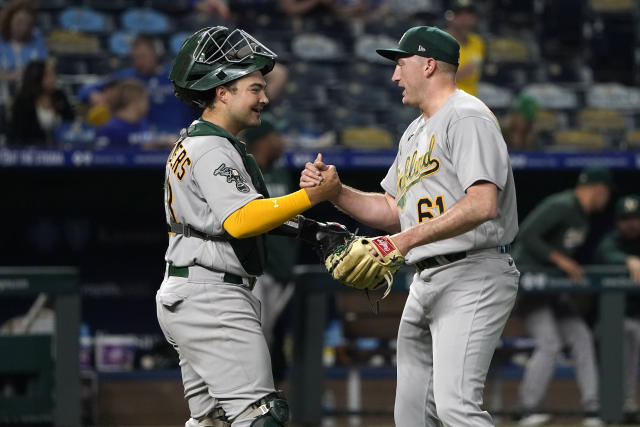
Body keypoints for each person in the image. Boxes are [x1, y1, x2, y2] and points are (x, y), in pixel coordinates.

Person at [301, 25, 520, 427]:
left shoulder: (467, 116)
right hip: (427, 278)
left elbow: (483, 204)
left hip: (474, 271)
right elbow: (391, 208)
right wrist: (335, 192)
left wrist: (401, 241)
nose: (394, 75)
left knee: (456, 408)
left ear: (430, 64)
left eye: (401, 64)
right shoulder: (415, 132)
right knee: (412, 415)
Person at [155, 26, 340, 427]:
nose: (265, 98)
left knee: (213, 421)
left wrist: (309, 229)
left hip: (194, 290)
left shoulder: (202, 142)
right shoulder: (211, 148)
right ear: (222, 92)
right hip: (211, 296)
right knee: (262, 417)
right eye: (255, 88)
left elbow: (246, 209)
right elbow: (241, 220)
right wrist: (313, 196)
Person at [512, 167, 612, 427]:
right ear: (600, 189)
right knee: (550, 342)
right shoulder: (561, 204)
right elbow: (526, 234)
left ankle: (592, 409)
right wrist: (562, 262)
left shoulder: (582, 215)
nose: (606, 199)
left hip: (553, 291)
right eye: (607, 193)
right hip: (530, 285)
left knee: (582, 337)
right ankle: (527, 409)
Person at [244, 120, 297, 385]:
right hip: (257, 269)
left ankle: (268, 393)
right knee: (256, 334)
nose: (281, 141)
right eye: (276, 135)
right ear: (262, 140)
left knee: (273, 335)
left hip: (283, 268)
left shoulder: (282, 173)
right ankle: (253, 395)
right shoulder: (244, 172)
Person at [78, 35, 195, 136]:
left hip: (180, 134)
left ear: (156, 54)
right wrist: (93, 94)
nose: (139, 62)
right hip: (142, 136)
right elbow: (84, 90)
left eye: (143, 56)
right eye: (135, 58)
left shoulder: (177, 75)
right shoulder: (126, 77)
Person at [595, 194, 640, 423]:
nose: (631, 223)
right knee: (623, 337)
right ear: (618, 221)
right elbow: (606, 254)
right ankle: (621, 405)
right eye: (626, 218)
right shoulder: (611, 241)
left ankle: (628, 404)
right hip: (614, 318)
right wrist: (628, 260)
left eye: (635, 217)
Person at [7, 59, 74, 146]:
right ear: (36, 78)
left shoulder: (60, 96)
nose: (53, 78)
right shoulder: (22, 102)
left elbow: (70, 121)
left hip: (60, 148)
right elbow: (17, 135)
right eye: (48, 75)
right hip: (30, 151)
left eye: (53, 74)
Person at [95, 79, 154, 149]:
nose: (148, 104)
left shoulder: (142, 123)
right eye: (145, 99)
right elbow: (103, 157)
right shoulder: (110, 129)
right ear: (135, 101)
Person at [0, 0, 48, 85]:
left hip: (30, 92)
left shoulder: (38, 41)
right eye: (19, 22)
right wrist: (9, 76)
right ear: (8, 21)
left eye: (28, 24)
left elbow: (44, 71)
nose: (23, 28)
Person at [445, 0, 484, 96]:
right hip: (446, 103)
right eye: (460, 15)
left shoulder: (478, 42)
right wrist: (458, 75)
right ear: (450, 17)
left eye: (469, 15)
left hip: (472, 102)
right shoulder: (440, 40)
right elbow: (429, 78)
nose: (465, 20)